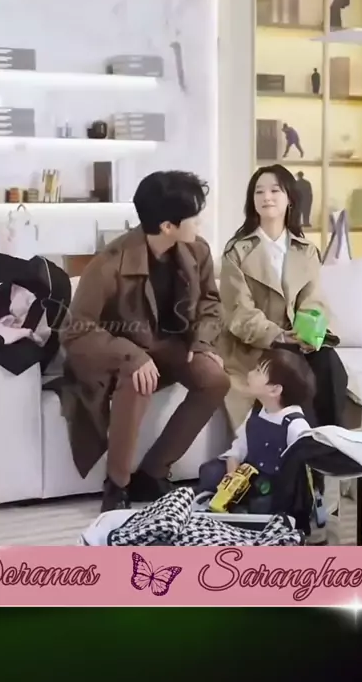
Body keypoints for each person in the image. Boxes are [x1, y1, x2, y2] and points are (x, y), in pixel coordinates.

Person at [60, 170, 230, 513]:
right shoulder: (109, 263)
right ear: (167, 226)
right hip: (119, 354)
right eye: (194, 216)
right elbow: (76, 330)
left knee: (215, 380)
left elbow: (211, 303)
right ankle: (117, 484)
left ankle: (154, 472)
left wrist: (203, 343)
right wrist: (130, 355)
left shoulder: (197, 250)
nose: (200, 222)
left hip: (171, 346)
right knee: (138, 379)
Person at [218, 164, 362, 435]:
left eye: (275, 190)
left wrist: (307, 333)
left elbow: (313, 299)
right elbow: (239, 311)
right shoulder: (236, 252)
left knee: (329, 363)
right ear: (252, 201)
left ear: (290, 199)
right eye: (259, 192)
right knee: (293, 371)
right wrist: (280, 336)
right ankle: (305, 445)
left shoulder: (305, 250)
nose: (267, 197)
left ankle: (334, 441)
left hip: (299, 340)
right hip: (256, 344)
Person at [198, 348, 314, 502]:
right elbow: (239, 448)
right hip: (248, 475)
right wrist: (232, 476)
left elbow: (303, 472)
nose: (250, 373)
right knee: (210, 473)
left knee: (263, 500)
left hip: (271, 487)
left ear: (274, 390)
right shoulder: (257, 412)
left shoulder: (295, 425)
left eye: (258, 371)